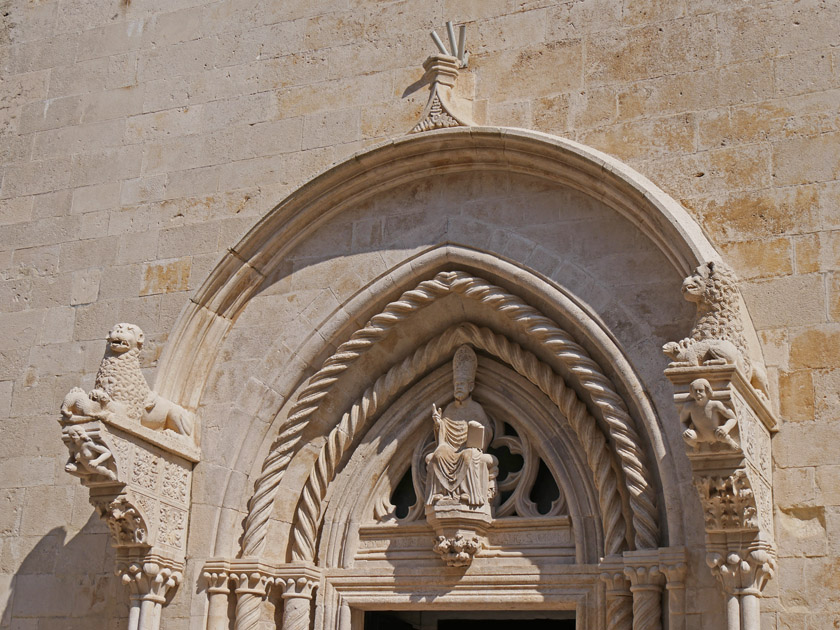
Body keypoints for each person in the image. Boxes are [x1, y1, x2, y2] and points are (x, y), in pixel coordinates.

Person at [425, 345, 497, 507]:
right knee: (437, 455)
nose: (457, 387)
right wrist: (438, 424)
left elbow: (487, 432)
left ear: (471, 387)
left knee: (469, 456)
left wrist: (478, 431)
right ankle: (441, 494)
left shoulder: (476, 409)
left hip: (469, 450)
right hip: (450, 450)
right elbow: (443, 439)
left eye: (462, 385)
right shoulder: (449, 409)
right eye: (456, 384)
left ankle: (468, 494)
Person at [680, 378, 739, 450]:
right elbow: (682, 421)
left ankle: (730, 442)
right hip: (700, 435)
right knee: (688, 437)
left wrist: (726, 427)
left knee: (721, 434)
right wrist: (685, 430)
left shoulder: (715, 405)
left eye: (700, 390)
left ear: (707, 391)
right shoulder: (689, 406)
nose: (697, 393)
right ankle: (696, 446)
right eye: (695, 391)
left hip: (715, 434)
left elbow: (733, 418)